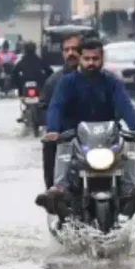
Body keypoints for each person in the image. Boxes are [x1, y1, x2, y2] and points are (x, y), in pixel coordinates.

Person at [35, 39, 135, 220]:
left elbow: (125, 104)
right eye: (87, 59)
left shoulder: (111, 81)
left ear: (102, 58)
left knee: (129, 142)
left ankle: (129, 191)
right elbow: (56, 107)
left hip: (108, 136)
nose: (91, 63)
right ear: (80, 59)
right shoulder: (67, 82)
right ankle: (60, 189)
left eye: (95, 59)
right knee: (63, 143)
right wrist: (53, 130)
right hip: (76, 136)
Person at [39, 32, 81, 190]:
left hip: (94, 136)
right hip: (64, 136)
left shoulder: (100, 78)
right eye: (67, 49)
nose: (71, 53)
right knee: (49, 146)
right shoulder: (53, 81)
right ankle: (53, 192)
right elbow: (45, 107)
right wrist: (53, 128)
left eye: (75, 49)